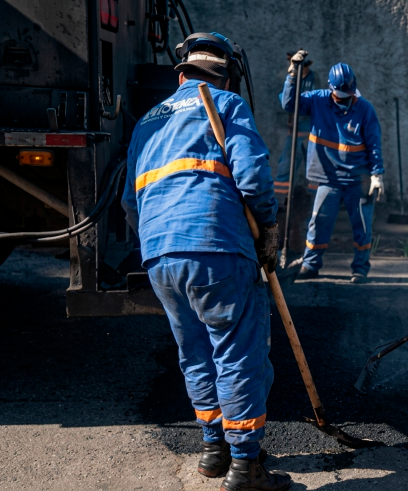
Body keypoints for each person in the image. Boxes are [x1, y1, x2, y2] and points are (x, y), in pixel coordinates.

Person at [122, 31, 291, 491]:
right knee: (238, 355)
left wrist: (160, 240)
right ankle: (245, 468)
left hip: (160, 256)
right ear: (227, 74)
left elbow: (129, 202)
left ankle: (214, 450)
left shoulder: (147, 121)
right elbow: (253, 178)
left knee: (195, 353)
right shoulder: (226, 104)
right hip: (216, 246)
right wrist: (268, 230)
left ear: (182, 74)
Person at [281, 53, 384, 283]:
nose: (343, 100)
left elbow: (374, 143)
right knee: (318, 222)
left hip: (358, 179)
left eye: (348, 95)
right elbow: (289, 104)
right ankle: (310, 265)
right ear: (331, 89)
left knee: (362, 226)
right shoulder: (318, 100)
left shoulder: (365, 109)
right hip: (328, 178)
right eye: (339, 95)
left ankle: (360, 269)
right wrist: (293, 76)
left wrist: (377, 174)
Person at [274, 53, 318, 203]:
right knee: (286, 165)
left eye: (303, 66)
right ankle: (281, 200)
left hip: (310, 131)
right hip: (294, 131)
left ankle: (314, 201)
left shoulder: (314, 80)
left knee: (313, 166)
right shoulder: (289, 78)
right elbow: (285, 101)